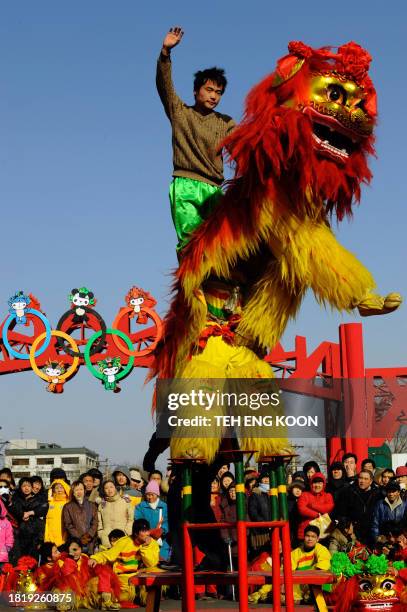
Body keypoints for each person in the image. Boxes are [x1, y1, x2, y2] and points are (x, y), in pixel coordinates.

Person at [156, 25, 235, 253]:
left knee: (224, 247)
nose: (213, 96)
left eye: (219, 92)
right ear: (196, 91)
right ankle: (192, 288)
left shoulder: (226, 123)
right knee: (192, 245)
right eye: (209, 89)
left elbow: (245, 144)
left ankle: (223, 288)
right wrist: (165, 53)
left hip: (214, 190)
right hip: (186, 186)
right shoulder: (180, 112)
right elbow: (165, 86)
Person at [89, 519, 160, 603]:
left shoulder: (152, 543)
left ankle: (142, 596)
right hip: (124, 579)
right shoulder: (124, 542)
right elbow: (109, 554)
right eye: (143, 531)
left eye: (147, 530)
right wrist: (95, 558)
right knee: (121, 598)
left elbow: (151, 564)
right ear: (136, 533)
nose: (147, 534)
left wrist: (145, 547)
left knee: (155, 575)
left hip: (142, 577)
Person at [335, 470, 380, 546]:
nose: (362, 481)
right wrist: (348, 524)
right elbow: (341, 512)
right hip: (353, 532)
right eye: (360, 478)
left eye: (366, 479)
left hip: (371, 531)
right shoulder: (349, 492)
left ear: (371, 481)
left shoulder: (377, 494)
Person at [291, 526, 331, 603]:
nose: (310, 539)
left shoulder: (322, 549)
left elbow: (323, 567)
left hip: (317, 584)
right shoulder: (295, 552)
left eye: (313, 537)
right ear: (304, 537)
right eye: (307, 536)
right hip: (301, 585)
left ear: (317, 539)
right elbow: (288, 570)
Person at [11, 477, 48, 560]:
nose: (26, 488)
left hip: (36, 535)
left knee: (33, 561)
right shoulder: (17, 500)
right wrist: (22, 514)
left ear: (32, 487)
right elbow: (14, 510)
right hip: (21, 535)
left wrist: (30, 513)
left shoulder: (39, 499)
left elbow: (43, 509)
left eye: (28, 486)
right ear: (20, 488)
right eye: (24, 486)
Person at [135, 480, 170, 561]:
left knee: (161, 561)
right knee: (149, 561)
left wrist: (161, 530)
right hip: (145, 538)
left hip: (162, 540)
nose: (150, 497)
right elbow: (139, 521)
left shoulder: (164, 506)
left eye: (152, 495)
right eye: (147, 495)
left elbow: (167, 521)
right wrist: (147, 533)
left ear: (157, 494)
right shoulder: (140, 507)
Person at [62, 480, 98, 554]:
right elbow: (68, 524)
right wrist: (79, 538)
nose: (79, 492)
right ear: (73, 492)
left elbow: (95, 522)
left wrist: (88, 535)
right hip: (75, 541)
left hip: (90, 541)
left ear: (84, 491)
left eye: (81, 489)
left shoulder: (92, 505)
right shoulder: (68, 507)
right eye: (76, 490)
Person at [297, 472, 334, 541]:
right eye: (314, 483)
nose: (317, 485)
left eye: (320, 483)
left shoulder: (328, 496)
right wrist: (316, 514)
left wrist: (312, 505)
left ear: (324, 484)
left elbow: (328, 508)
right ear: (311, 484)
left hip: (323, 533)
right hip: (306, 533)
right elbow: (301, 509)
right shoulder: (304, 495)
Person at [98, 480, 133, 549]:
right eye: (106, 488)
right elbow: (99, 521)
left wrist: (128, 531)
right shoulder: (102, 505)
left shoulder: (125, 501)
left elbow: (131, 518)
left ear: (115, 488)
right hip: (106, 540)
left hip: (123, 537)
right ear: (104, 490)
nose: (109, 490)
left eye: (111, 487)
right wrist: (101, 533)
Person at [44, 479, 71, 547]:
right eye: (57, 488)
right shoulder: (49, 504)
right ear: (53, 490)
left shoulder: (68, 503)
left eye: (61, 487)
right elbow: (47, 522)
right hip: (50, 539)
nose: (59, 490)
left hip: (64, 538)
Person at [0, 498, 13, 569]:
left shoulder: (5, 522)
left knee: (2, 576)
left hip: (2, 555)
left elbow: (9, 537)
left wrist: (7, 548)